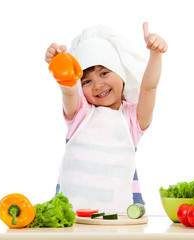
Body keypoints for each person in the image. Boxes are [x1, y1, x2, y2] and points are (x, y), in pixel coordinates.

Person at [45, 22, 167, 213]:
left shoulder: (132, 119)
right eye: (86, 81)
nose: (98, 84)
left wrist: (155, 54)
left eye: (104, 73)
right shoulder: (80, 113)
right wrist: (59, 63)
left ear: (121, 75)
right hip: (72, 217)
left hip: (118, 217)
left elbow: (149, 87)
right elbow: (68, 90)